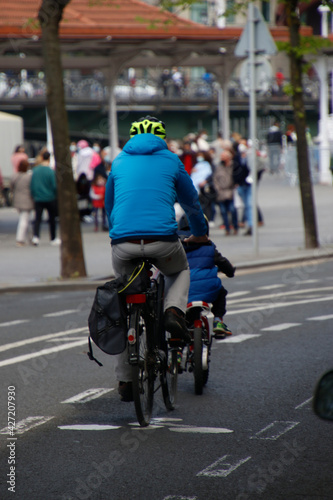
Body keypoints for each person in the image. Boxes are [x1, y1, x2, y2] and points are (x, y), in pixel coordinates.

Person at [104, 115, 208, 401]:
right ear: (162, 138)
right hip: (162, 240)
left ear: (131, 136)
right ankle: (173, 311)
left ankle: (126, 381)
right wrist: (199, 233)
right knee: (179, 271)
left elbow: (109, 206)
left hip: (123, 242)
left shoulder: (119, 161)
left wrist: (118, 233)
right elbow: (191, 203)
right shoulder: (172, 160)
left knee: (124, 306)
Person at [178, 214, 235, 337]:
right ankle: (218, 321)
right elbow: (222, 262)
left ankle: (176, 349)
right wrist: (230, 272)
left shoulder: (176, 247)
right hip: (208, 288)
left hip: (183, 290)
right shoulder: (208, 246)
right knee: (221, 293)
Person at [30, 150, 60, 246]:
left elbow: (32, 185)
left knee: (37, 218)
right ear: (49, 158)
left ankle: (36, 237)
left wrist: (34, 194)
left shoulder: (35, 170)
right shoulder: (51, 171)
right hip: (50, 197)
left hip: (38, 198)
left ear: (42, 157)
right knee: (52, 219)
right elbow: (54, 186)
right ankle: (53, 238)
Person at [213, 149, 238, 236]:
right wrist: (217, 188)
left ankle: (235, 226)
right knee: (223, 211)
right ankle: (227, 228)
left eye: (223, 157)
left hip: (230, 190)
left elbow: (235, 177)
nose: (222, 158)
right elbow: (215, 179)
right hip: (221, 192)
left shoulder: (233, 166)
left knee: (232, 210)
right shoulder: (219, 167)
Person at [10, 158, 34, 246]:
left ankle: (29, 237)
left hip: (17, 199)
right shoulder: (29, 177)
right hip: (27, 199)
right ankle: (20, 238)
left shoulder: (14, 176)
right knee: (24, 219)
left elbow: (11, 187)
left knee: (25, 218)